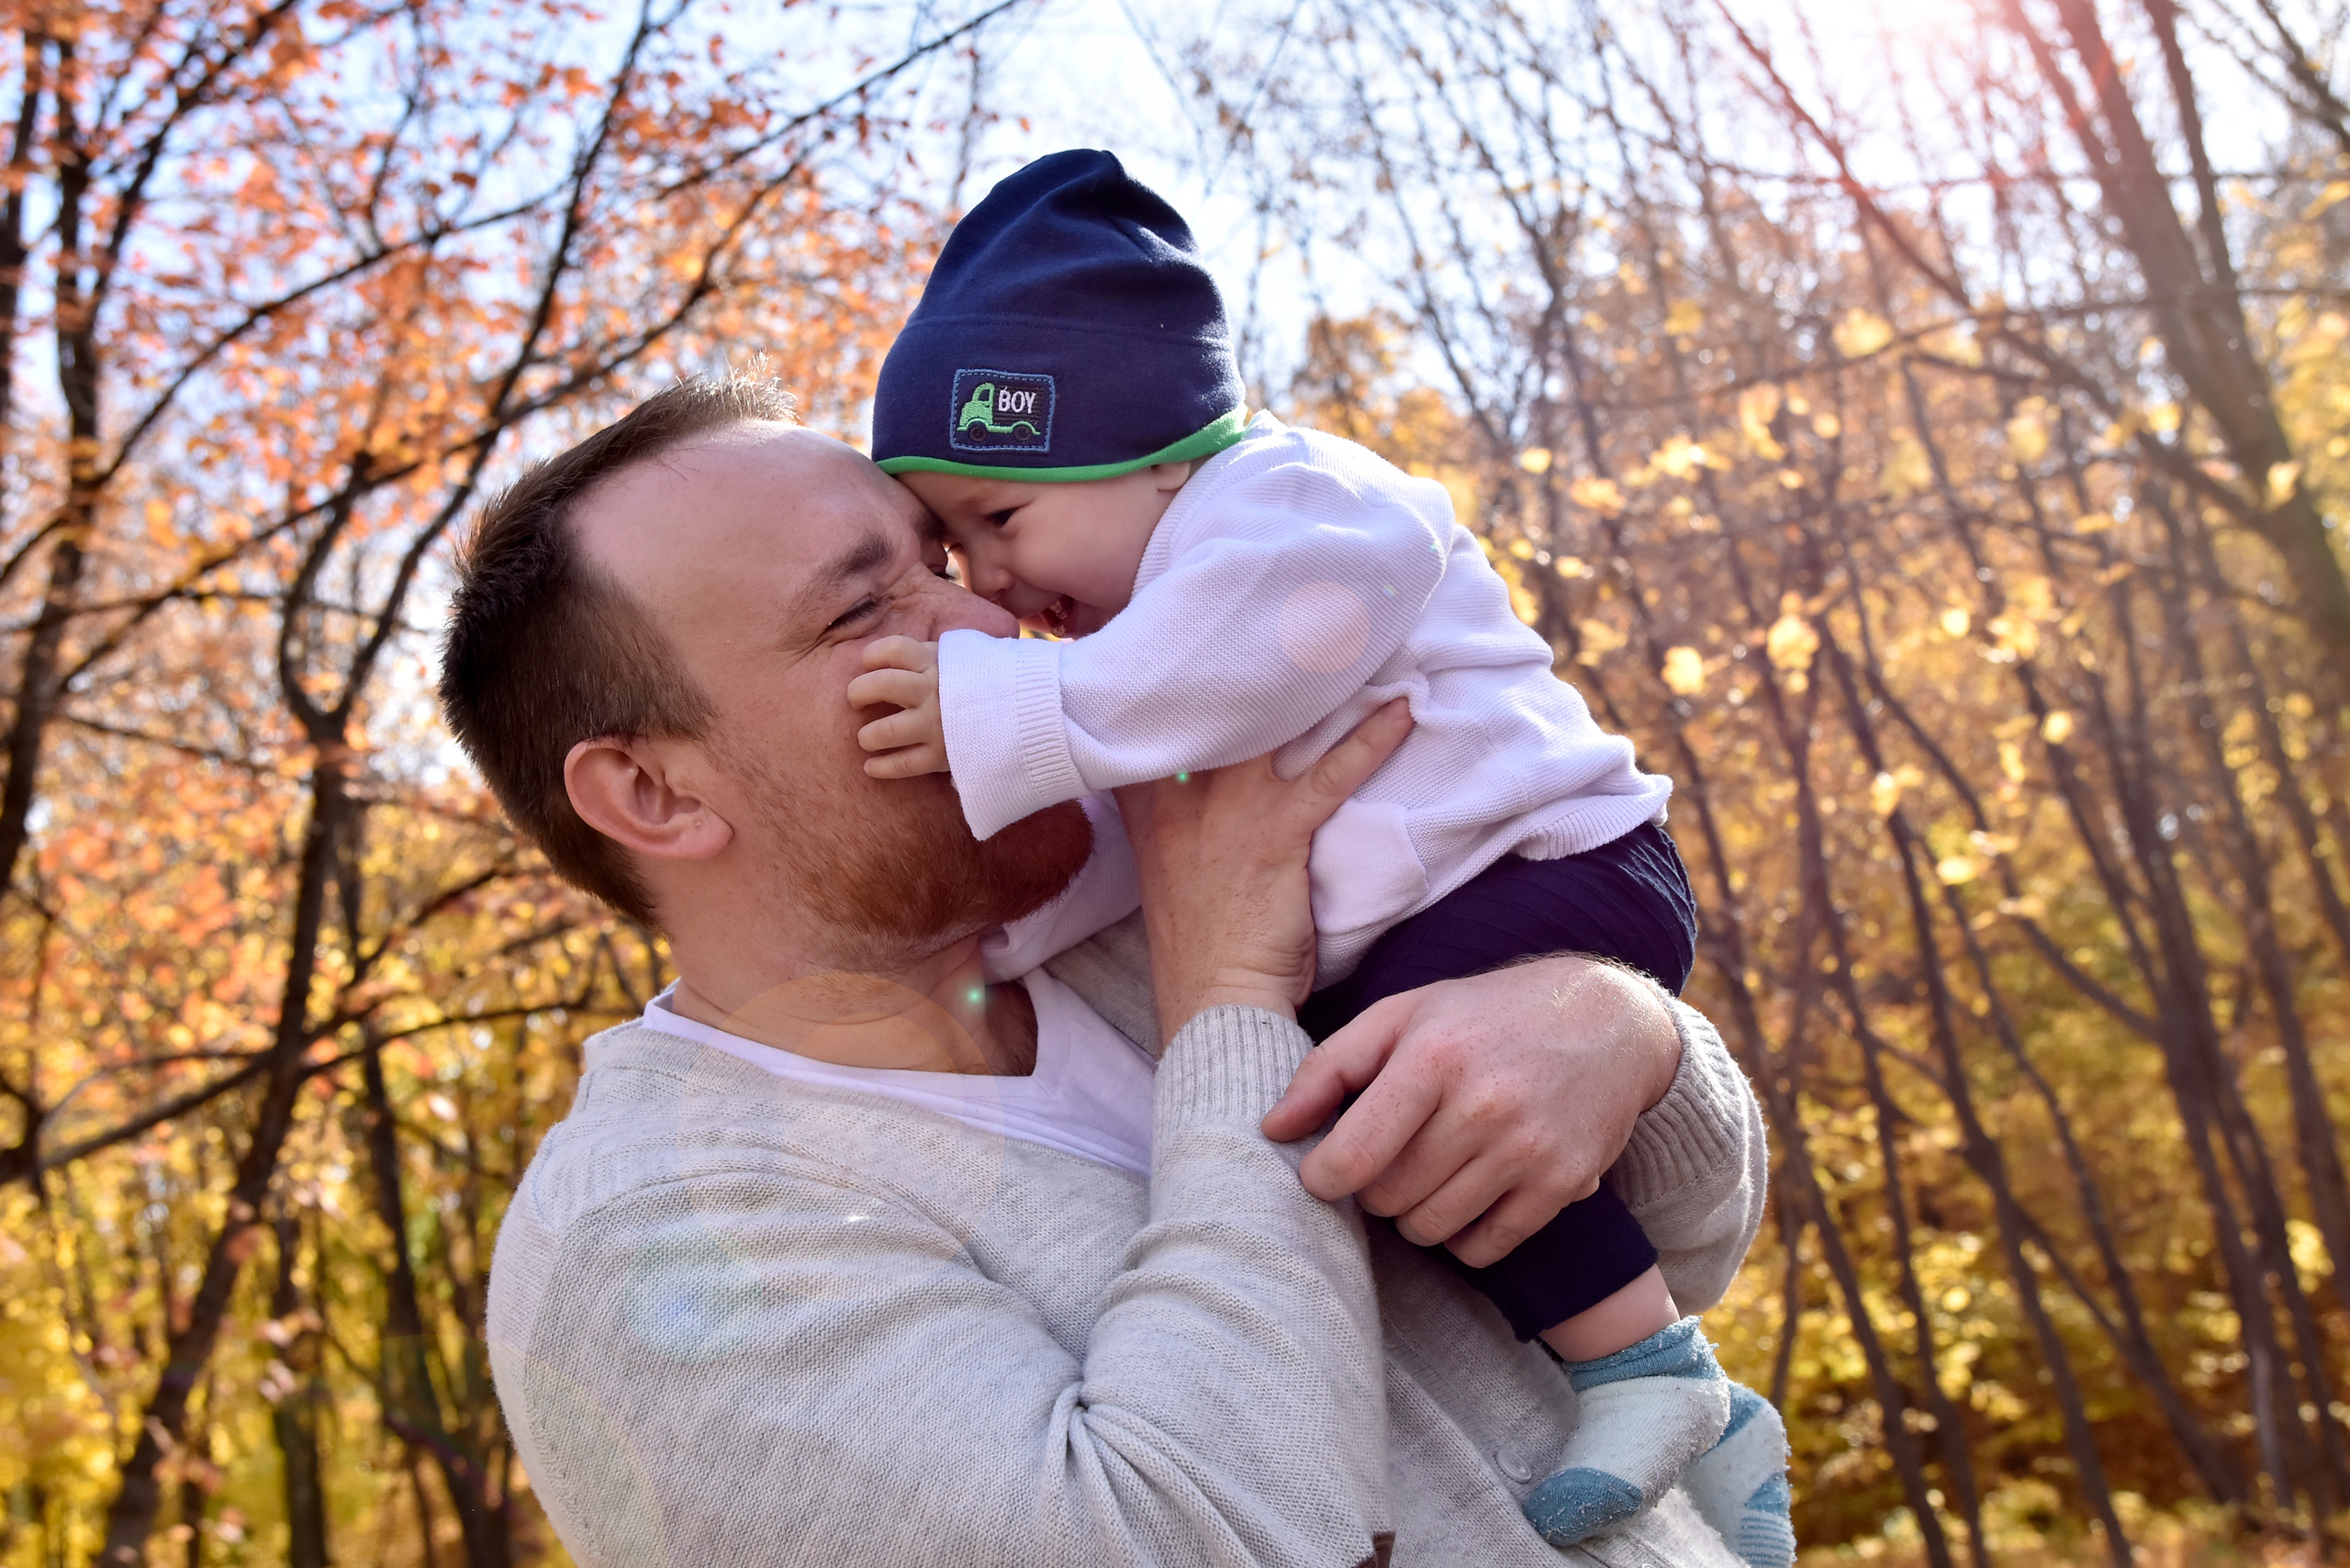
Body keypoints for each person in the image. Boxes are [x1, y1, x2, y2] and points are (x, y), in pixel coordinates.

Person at [440, 376, 1783, 1563]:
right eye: (864, 608)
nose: (984, 619)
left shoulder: (1147, 897)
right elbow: (1194, 1540)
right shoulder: (651, 1246)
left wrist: (1618, 1031)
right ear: (653, 794)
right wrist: (1230, 1012)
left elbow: (1691, 1242)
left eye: (945, 558)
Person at [851, 149, 1788, 1550]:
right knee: (1365, 1100)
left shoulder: (1295, 508)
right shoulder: (1141, 649)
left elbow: (1244, 664)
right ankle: (1689, 1401)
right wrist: (1006, 941)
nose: (985, 580)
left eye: (999, 516)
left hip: (1563, 870)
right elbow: (1152, 834)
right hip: (1453, 920)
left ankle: (1650, 1368)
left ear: (1151, 449)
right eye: (952, 543)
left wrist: (998, 705)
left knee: (1365, 1088)